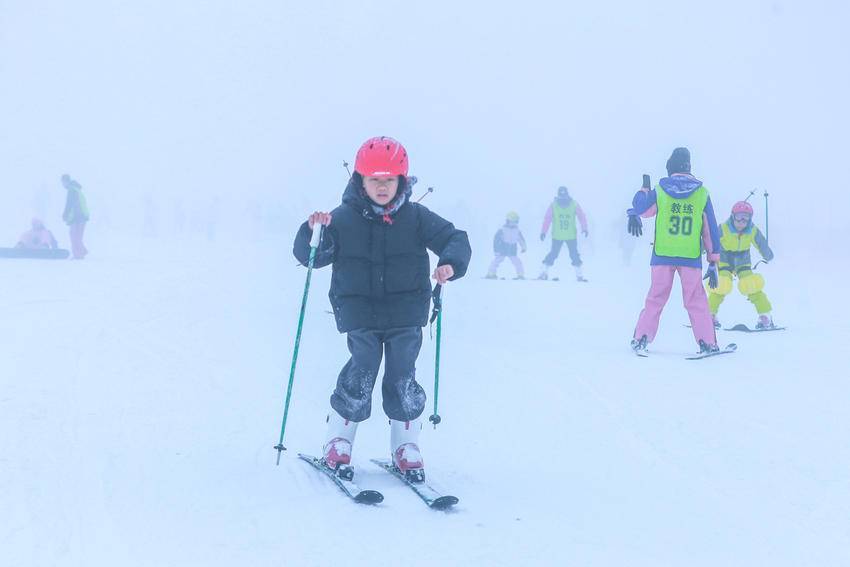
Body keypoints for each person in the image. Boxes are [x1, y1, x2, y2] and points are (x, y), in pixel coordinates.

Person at [293, 136, 471, 482]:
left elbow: (455, 238)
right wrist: (312, 231)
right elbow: (312, 257)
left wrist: (449, 263)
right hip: (358, 310)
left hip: (407, 310)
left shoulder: (416, 217)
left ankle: (406, 445)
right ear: (359, 180)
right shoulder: (341, 218)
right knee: (363, 365)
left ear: (401, 180)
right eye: (374, 179)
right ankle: (338, 440)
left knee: (402, 371)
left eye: (389, 179)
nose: (382, 186)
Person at [626, 147, 722, 355]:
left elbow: (642, 209)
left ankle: (641, 337)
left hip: (662, 255)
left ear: (670, 167)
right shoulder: (701, 193)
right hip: (690, 257)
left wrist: (644, 190)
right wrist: (713, 259)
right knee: (696, 300)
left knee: (655, 298)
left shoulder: (660, 190)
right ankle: (707, 342)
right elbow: (710, 229)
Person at [707, 201, 776, 329]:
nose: (741, 222)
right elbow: (711, 240)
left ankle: (765, 315)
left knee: (751, 285)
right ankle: (709, 315)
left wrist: (767, 254)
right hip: (725, 259)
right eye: (738, 217)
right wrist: (699, 250)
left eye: (745, 218)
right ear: (733, 216)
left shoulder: (752, 230)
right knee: (721, 285)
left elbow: (760, 242)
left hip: (742, 260)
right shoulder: (724, 228)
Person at [538, 186, 588, 282]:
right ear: (558, 196)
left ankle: (579, 275)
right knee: (554, 254)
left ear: (567, 195)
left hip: (570, 236)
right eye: (561, 197)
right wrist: (543, 231)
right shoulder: (554, 205)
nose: (563, 199)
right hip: (558, 236)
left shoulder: (574, 204)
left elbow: (581, 216)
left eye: (564, 196)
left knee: (573, 255)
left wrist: (584, 228)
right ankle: (543, 272)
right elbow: (547, 219)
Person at [485, 211, 527, 279]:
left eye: (515, 222)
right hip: (503, 248)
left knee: (517, 262)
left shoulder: (517, 230)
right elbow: (496, 240)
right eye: (512, 221)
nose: (514, 223)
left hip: (512, 249)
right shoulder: (502, 229)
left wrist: (523, 247)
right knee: (497, 261)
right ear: (508, 221)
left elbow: (521, 239)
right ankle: (491, 273)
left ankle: (520, 275)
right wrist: (496, 250)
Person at [61, 174, 90, 259]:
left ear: (66, 181)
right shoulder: (77, 189)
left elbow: (69, 204)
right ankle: (81, 252)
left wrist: (65, 215)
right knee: (78, 237)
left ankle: (78, 254)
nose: (62, 185)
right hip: (82, 216)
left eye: (63, 182)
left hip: (77, 217)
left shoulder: (71, 190)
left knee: (73, 236)